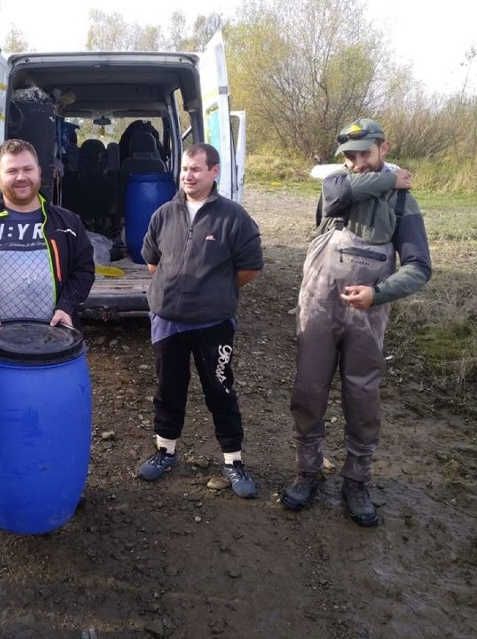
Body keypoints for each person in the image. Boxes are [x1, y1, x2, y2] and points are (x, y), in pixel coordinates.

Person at [280, 117, 432, 526]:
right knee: (308, 390)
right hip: (318, 306)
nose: (356, 162)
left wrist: (377, 293)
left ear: (384, 146)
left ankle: (357, 479)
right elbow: (336, 194)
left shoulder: (403, 204)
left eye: (364, 153)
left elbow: (419, 267)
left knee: (362, 396)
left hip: (366, 315)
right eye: (349, 156)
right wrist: (391, 177)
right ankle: (307, 470)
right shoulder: (337, 185)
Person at [0, 138, 95, 526]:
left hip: (54, 345)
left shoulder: (66, 223)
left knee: (55, 423)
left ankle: (59, 485)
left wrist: (66, 307)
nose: (21, 177)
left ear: (40, 172)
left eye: (27, 168)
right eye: (12, 170)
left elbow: (84, 271)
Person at [137, 143, 264, 498]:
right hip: (167, 321)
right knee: (168, 390)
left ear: (214, 171)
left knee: (220, 390)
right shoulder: (163, 213)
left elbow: (250, 267)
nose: (187, 176)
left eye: (195, 169)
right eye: (184, 169)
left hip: (213, 324)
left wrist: (215, 291)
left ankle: (233, 461)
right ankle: (165, 452)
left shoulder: (233, 217)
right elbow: (152, 261)